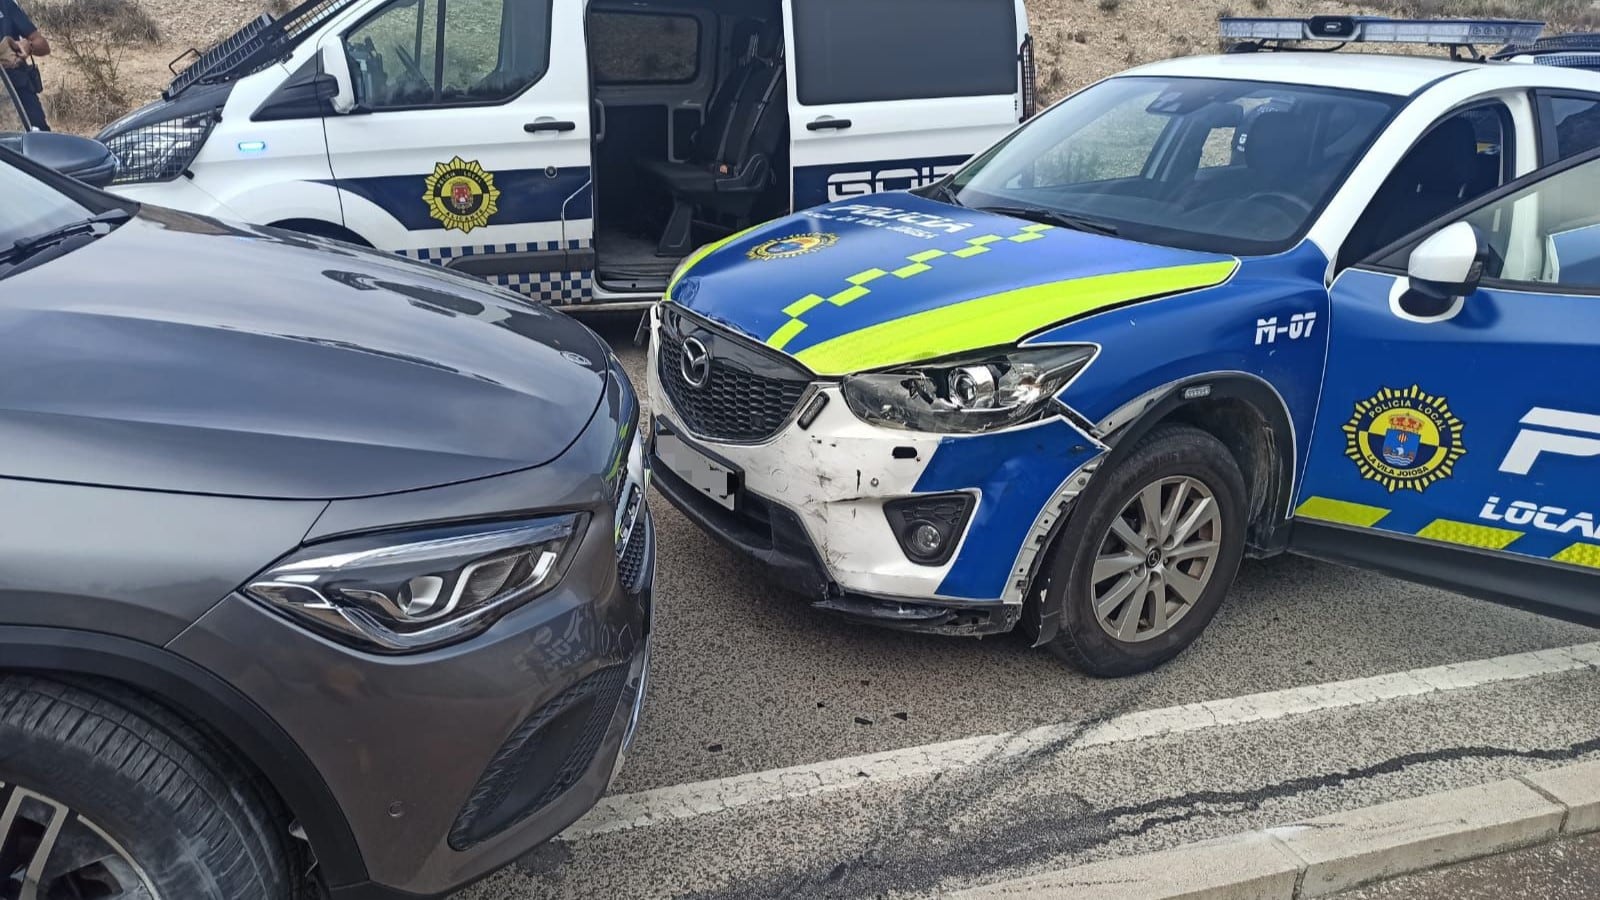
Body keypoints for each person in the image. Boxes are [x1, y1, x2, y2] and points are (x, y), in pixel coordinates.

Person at [0, 0, 49, 131]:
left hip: (18, 88)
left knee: (42, 139)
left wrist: (28, 46)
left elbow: (43, 45)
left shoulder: (5, 5)